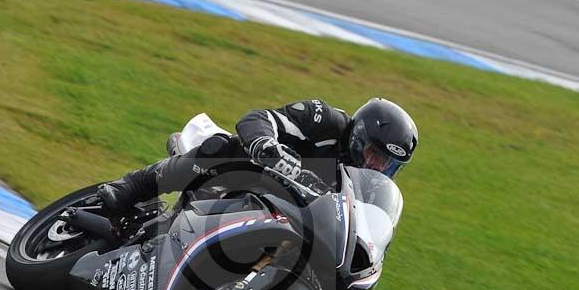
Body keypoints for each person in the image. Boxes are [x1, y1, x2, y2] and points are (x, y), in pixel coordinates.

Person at [97, 98, 418, 213]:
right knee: (222, 148)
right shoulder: (324, 120)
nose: (376, 165)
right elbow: (257, 119)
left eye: (386, 163)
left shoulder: (369, 191)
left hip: (286, 219)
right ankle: (131, 187)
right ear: (359, 134)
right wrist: (267, 146)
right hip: (246, 180)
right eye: (374, 153)